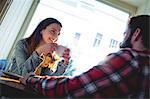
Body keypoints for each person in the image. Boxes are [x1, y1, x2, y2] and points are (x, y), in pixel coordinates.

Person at [20, 15, 149, 98]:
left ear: (136, 33)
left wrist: (64, 63)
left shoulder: (129, 58)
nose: (55, 37)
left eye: (125, 32)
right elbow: (20, 72)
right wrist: (38, 53)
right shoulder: (23, 44)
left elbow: (70, 87)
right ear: (41, 29)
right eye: (53, 31)